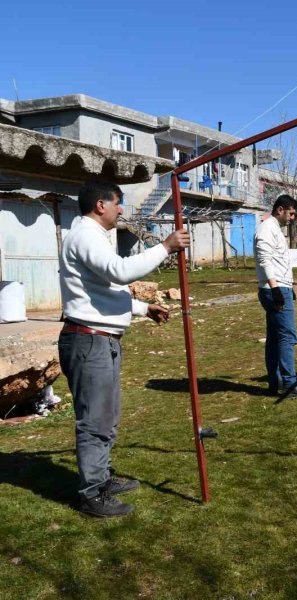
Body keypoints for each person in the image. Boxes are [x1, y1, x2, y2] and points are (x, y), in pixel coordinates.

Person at [58, 180, 190, 517]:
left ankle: (101, 478)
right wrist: (166, 246)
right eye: (118, 202)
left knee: (107, 418)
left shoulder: (93, 236)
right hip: (89, 341)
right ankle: (92, 495)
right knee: (95, 422)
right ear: (100, 205)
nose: (121, 209)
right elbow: (119, 273)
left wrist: (144, 309)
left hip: (100, 339)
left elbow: (100, 291)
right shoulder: (85, 235)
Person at [255, 195, 297, 399]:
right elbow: (264, 260)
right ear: (280, 209)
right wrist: (277, 290)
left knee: (274, 338)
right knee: (288, 336)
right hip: (275, 289)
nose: (292, 218)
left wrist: (287, 286)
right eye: (290, 213)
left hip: (280, 286)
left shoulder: (274, 229)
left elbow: (278, 261)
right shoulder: (267, 229)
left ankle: (275, 381)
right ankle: (289, 383)